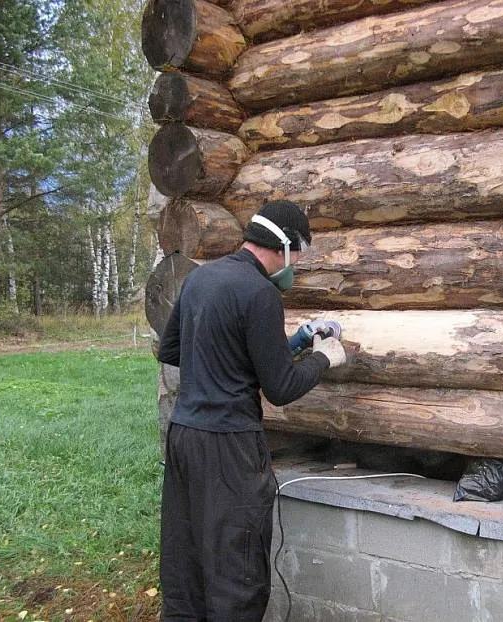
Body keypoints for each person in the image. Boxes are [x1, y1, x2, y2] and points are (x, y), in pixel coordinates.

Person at [157, 199, 347, 621]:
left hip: (185, 437)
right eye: (297, 255)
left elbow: (172, 350)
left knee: (185, 566)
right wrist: (323, 358)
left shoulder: (201, 280)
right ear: (282, 245)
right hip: (231, 450)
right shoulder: (260, 292)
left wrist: (294, 343)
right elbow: (279, 388)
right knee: (237, 575)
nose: (295, 265)